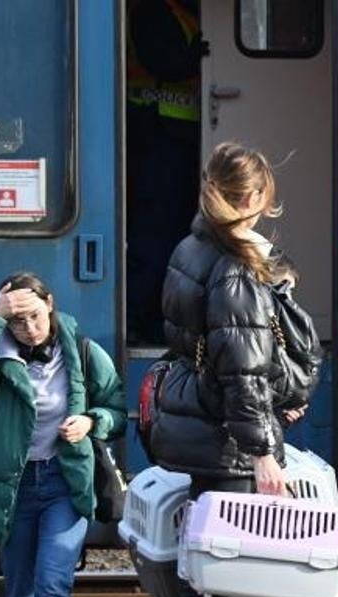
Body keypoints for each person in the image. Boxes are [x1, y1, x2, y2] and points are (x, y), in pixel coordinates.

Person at [154, 142, 317, 597]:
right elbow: (243, 373)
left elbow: (201, 347)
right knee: (233, 567)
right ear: (251, 197)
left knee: (220, 566)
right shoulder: (237, 268)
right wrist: (263, 452)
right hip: (231, 439)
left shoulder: (190, 247)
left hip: (205, 425)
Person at [0, 273, 126, 597]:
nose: (28, 329)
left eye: (35, 317)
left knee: (51, 587)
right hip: (15, 486)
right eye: (17, 321)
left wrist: (90, 421)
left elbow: (117, 408)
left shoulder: (81, 350)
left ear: (51, 304)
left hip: (65, 483)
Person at [126, 0, 202, 344]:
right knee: (153, 235)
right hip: (156, 133)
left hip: (177, 136)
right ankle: (140, 319)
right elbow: (164, 62)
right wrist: (201, 54)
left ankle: (160, 318)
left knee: (173, 234)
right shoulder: (151, 10)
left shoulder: (180, 12)